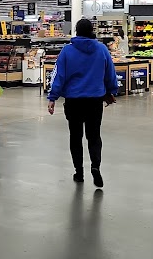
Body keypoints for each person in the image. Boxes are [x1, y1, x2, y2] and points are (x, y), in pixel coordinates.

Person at [47, 19, 119, 188]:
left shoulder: (67, 51)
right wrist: (111, 91)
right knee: (94, 136)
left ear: (76, 31)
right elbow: (110, 73)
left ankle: (79, 172)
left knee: (75, 136)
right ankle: (95, 167)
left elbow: (59, 76)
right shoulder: (102, 49)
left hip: (74, 101)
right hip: (95, 100)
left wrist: (53, 97)